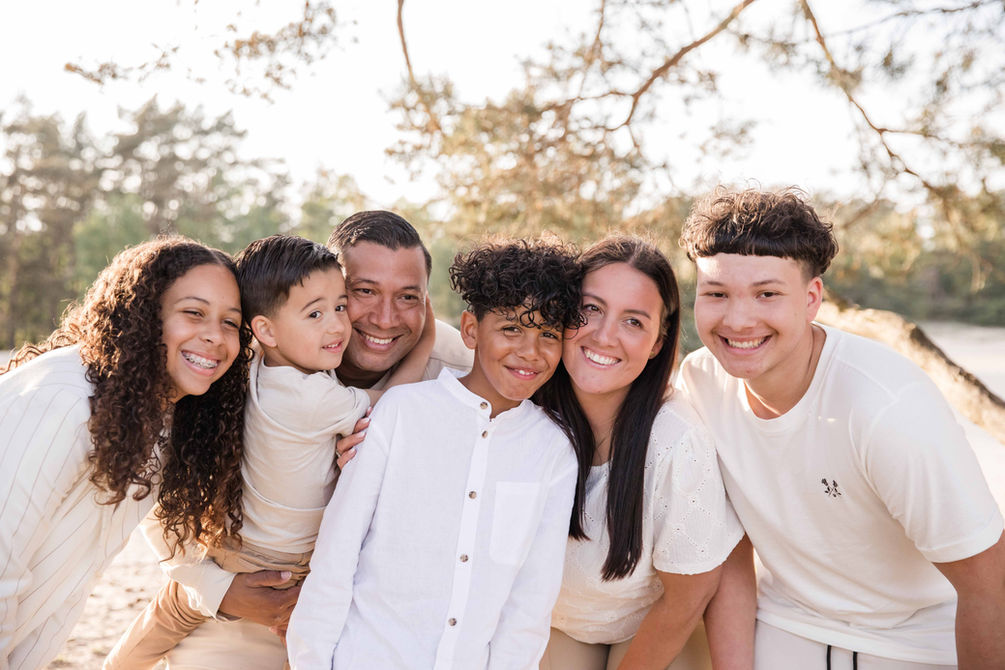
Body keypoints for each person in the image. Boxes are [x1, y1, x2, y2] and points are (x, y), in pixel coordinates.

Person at [676, 187, 1005, 669]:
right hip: (784, 624)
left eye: (767, 294)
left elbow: (989, 584)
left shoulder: (885, 408)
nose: (738, 319)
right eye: (716, 294)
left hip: (912, 642)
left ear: (812, 299)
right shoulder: (700, 382)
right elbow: (729, 551)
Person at [149, 211, 473, 670]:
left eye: (408, 297)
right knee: (178, 622)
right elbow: (153, 480)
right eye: (363, 292)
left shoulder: (462, 371)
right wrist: (217, 588)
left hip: (368, 604)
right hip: (250, 586)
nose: (384, 318)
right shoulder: (242, 354)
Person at [286, 238, 584, 669]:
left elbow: (529, 604)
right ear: (470, 329)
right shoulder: (401, 412)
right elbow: (337, 557)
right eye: (511, 329)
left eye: (548, 335)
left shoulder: (553, 451)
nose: (530, 352)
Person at [0, 237, 250, 670]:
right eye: (194, 312)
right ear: (143, 315)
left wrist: (219, 588)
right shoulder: (62, 401)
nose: (215, 335)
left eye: (230, 322)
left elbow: (160, 523)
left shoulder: (148, 416)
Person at [535, 236, 746, 670]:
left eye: (633, 321)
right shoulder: (525, 406)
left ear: (656, 344)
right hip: (556, 619)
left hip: (650, 621)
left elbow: (688, 598)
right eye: (591, 308)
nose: (604, 335)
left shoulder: (677, 440)